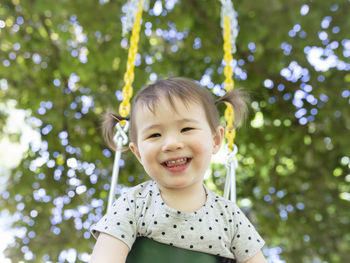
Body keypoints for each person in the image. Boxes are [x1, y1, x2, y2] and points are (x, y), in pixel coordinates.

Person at [90, 77, 267, 263]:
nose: (172, 144)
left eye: (186, 128)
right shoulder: (135, 204)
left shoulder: (229, 216)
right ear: (139, 154)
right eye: (155, 134)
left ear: (215, 140)